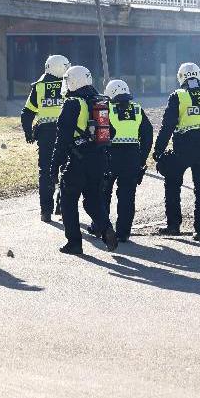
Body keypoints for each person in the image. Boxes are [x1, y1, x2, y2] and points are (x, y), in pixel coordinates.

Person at [49, 65, 118, 254]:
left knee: (68, 201)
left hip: (78, 160)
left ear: (73, 81)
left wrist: (54, 166)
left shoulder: (72, 103)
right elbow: (111, 131)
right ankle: (106, 229)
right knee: (93, 200)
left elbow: (62, 138)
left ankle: (74, 243)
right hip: (98, 159)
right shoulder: (99, 101)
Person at [153, 62, 200, 240]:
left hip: (183, 149)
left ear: (181, 77)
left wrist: (158, 150)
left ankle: (173, 225)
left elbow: (168, 126)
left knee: (172, 184)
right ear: (199, 75)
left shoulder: (178, 96)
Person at [102, 79, 154, 242]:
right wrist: (141, 159)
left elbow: (101, 134)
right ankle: (123, 232)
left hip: (110, 155)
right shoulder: (137, 109)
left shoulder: (106, 109)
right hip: (132, 156)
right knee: (127, 196)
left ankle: (101, 227)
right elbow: (148, 134)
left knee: (103, 192)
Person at [21, 54, 70, 222]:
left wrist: (29, 133)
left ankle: (45, 211)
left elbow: (27, 113)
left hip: (46, 134)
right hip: (66, 133)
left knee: (46, 172)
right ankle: (62, 206)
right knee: (67, 169)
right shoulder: (70, 84)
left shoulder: (39, 86)